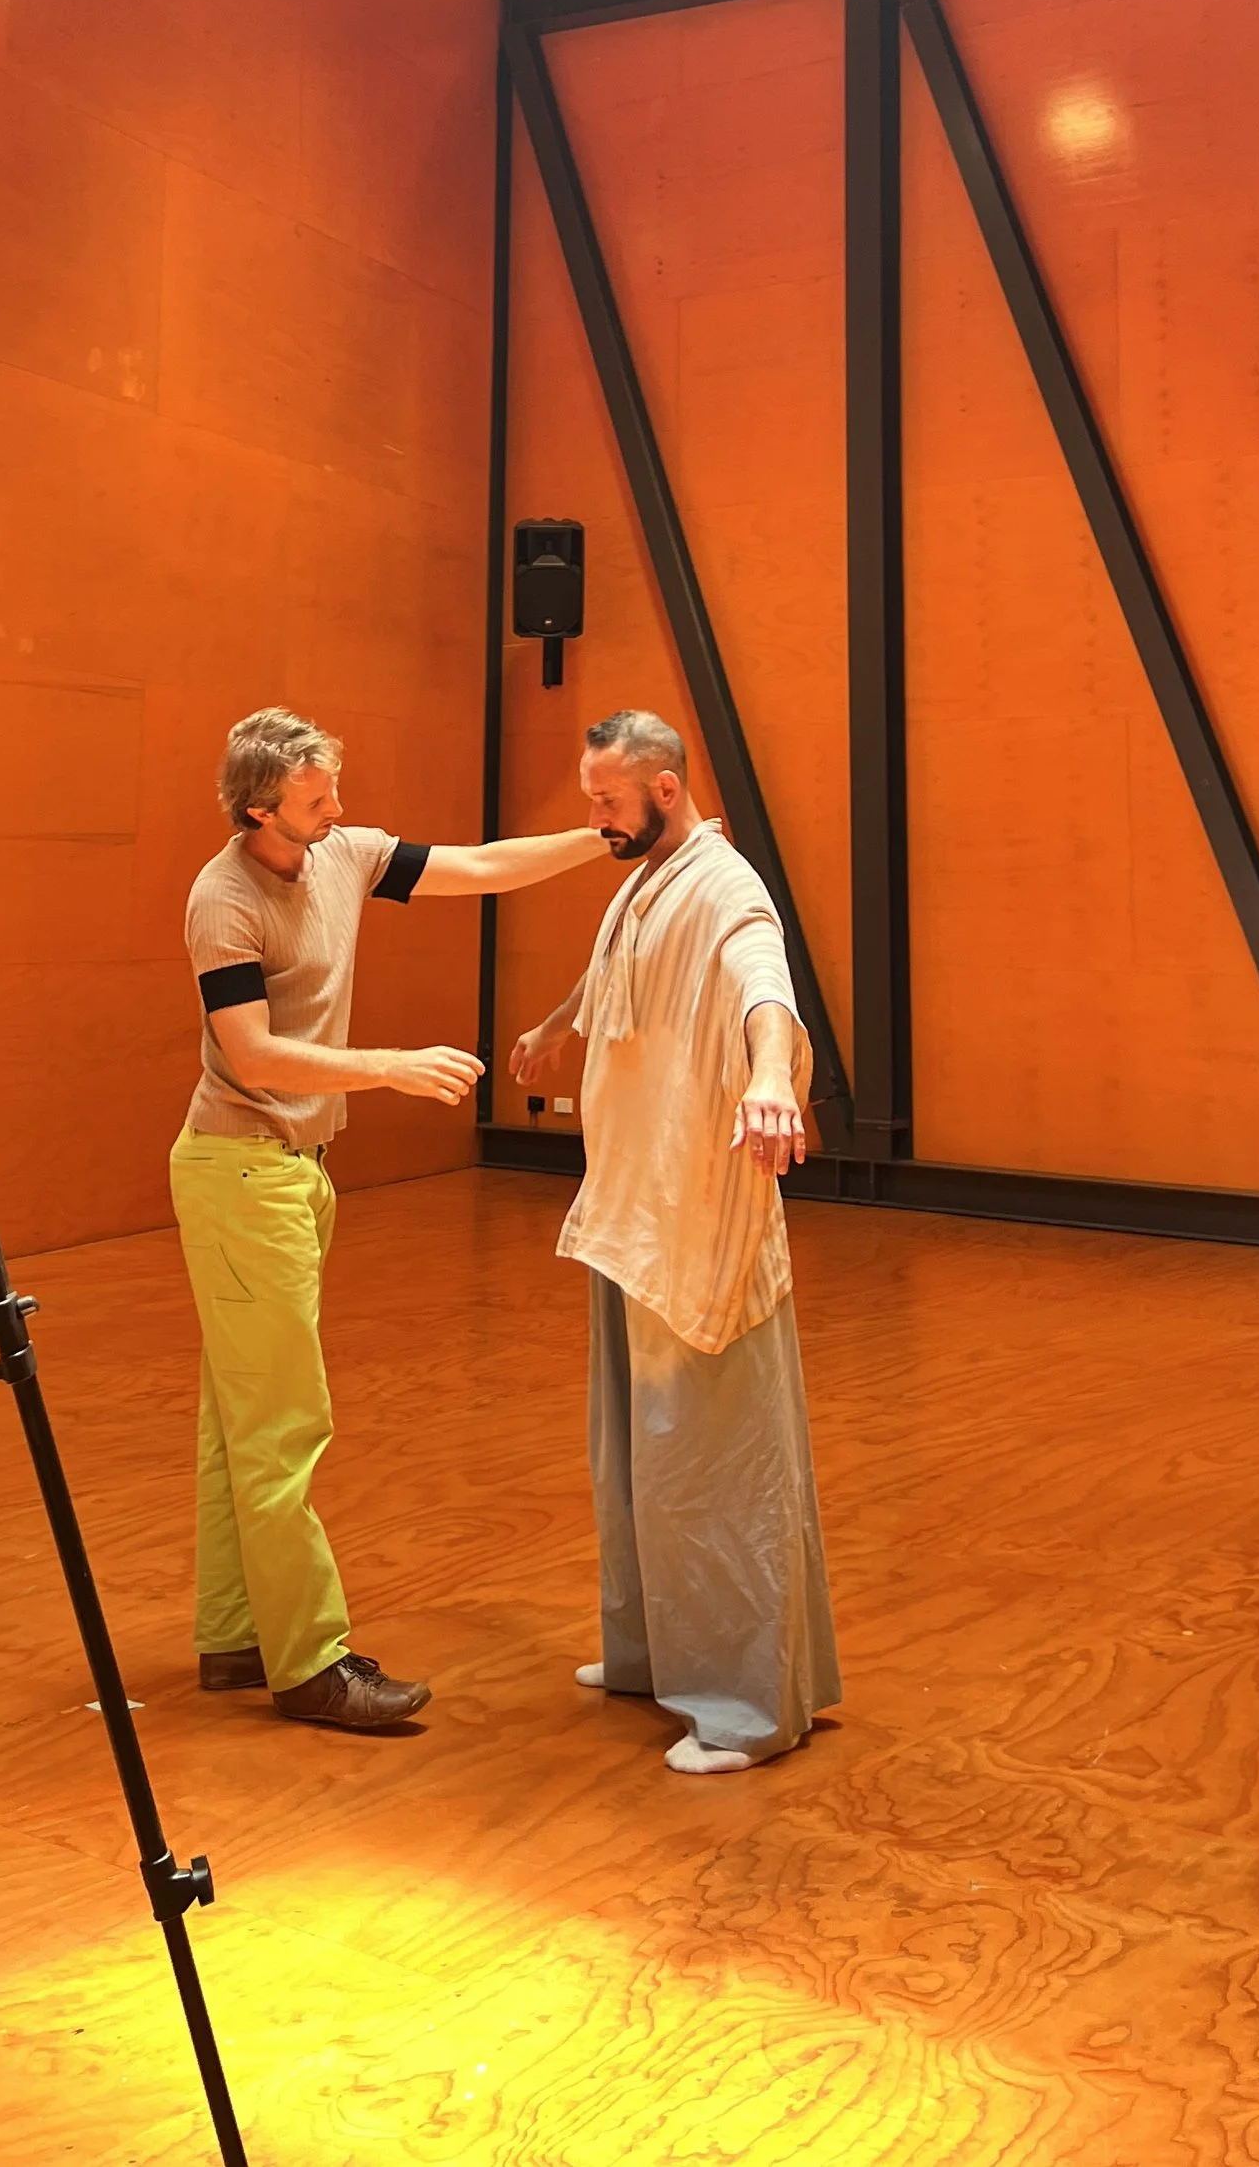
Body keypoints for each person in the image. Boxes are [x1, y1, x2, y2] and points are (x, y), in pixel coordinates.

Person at [177, 705, 606, 1733]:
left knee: (238, 1422)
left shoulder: (346, 854)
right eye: (316, 798)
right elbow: (254, 1058)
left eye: (334, 790)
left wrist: (605, 837)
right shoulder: (222, 899)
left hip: (293, 1172)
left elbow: (483, 865)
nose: (340, 808)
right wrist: (389, 1068)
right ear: (257, 811)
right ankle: (312, 1664)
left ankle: (239, 1636)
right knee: (283, 1425)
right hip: (240, 1172)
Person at [509, 707, 839, 1776]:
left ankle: (745, 1708)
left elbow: (763, 985)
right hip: (629, 1210)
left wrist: (767, 1078)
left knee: (711, 1465)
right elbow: (618, 969)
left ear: (661, 788)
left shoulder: (725, 885)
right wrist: (559, 1024)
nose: (595, 817)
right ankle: (651, 1651)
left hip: (698, 1219)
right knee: (635, 1456)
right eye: (588, 798)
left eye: (608, 800)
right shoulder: (644, 877)